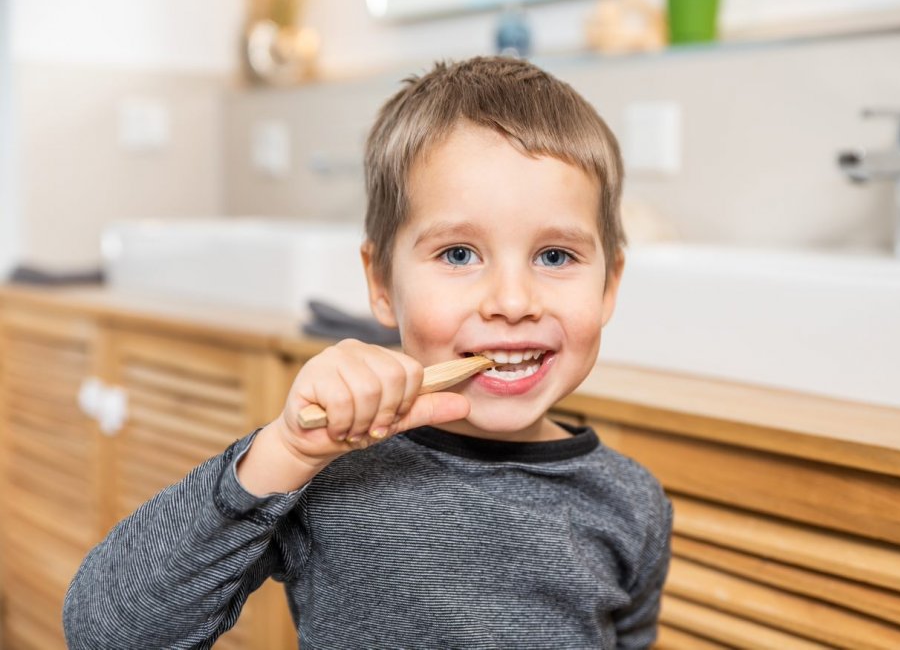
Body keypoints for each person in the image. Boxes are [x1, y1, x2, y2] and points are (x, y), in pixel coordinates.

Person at [63, 55, 672, 649]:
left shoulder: (632, 502)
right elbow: (104, 633)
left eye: (555, 257)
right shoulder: (331, 468)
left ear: (608, 284)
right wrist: (285, 452)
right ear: (381, 283)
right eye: (459, 254)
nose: (512, 302)